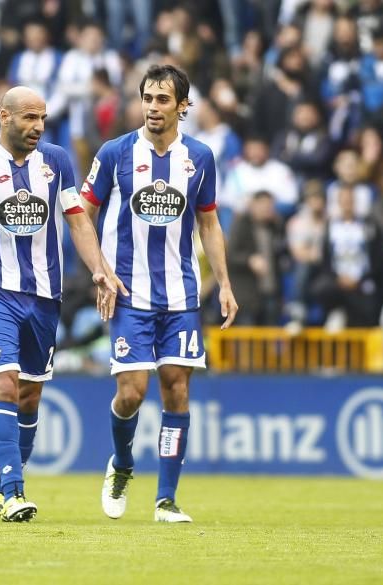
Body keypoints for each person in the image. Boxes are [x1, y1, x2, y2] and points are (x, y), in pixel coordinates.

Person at [0, 86, 123, 523]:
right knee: (4, 386)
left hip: (43, 296)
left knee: (30, 396)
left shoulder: (56, 161)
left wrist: (98, 268)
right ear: (4, 117)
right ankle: (16, 492)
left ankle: (3, 484)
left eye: (42, 118)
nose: (38, 126)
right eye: (29, 118)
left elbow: (77, 220)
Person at [80, 64, 238, 523]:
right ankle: (122, 464)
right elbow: (81, 215)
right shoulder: (115, 153)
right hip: (129, 292)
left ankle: (166, 498)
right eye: (148, 98)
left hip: (181, 295)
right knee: (131, 393)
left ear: (183, 106)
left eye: (163, 99)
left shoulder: (201, 157)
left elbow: (209, 222)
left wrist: (224, 283)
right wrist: (99, 271)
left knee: (176, 389)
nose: (153, 107)